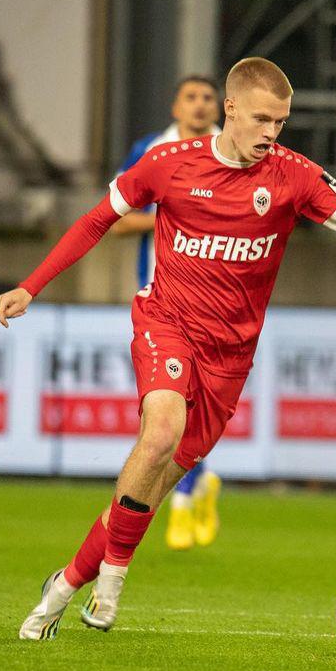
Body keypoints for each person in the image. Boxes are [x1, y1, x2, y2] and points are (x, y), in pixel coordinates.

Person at [0, 57, 336, 640]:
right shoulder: (168, 163)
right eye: (261, 119)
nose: (271, 133)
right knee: (160, 433)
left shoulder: (295, 175)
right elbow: (95, 221)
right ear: (230, 108)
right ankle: (114, 579)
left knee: (151, 486)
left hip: (230, 357)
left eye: (280, 122)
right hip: (166, 321)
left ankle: (62, 586)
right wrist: (30, 286)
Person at [110, 74, 223, 553]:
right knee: (168, 409)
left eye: (208, 98)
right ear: (175, 106)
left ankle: (194, 489)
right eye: (190, 97)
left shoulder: (234, 150)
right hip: (162, 299)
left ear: (221, 107)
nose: (199, 105)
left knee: (196, 408)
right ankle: (186, 497)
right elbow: (116, 220)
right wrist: (172, 214)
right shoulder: (151, 150)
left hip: (218, 301)